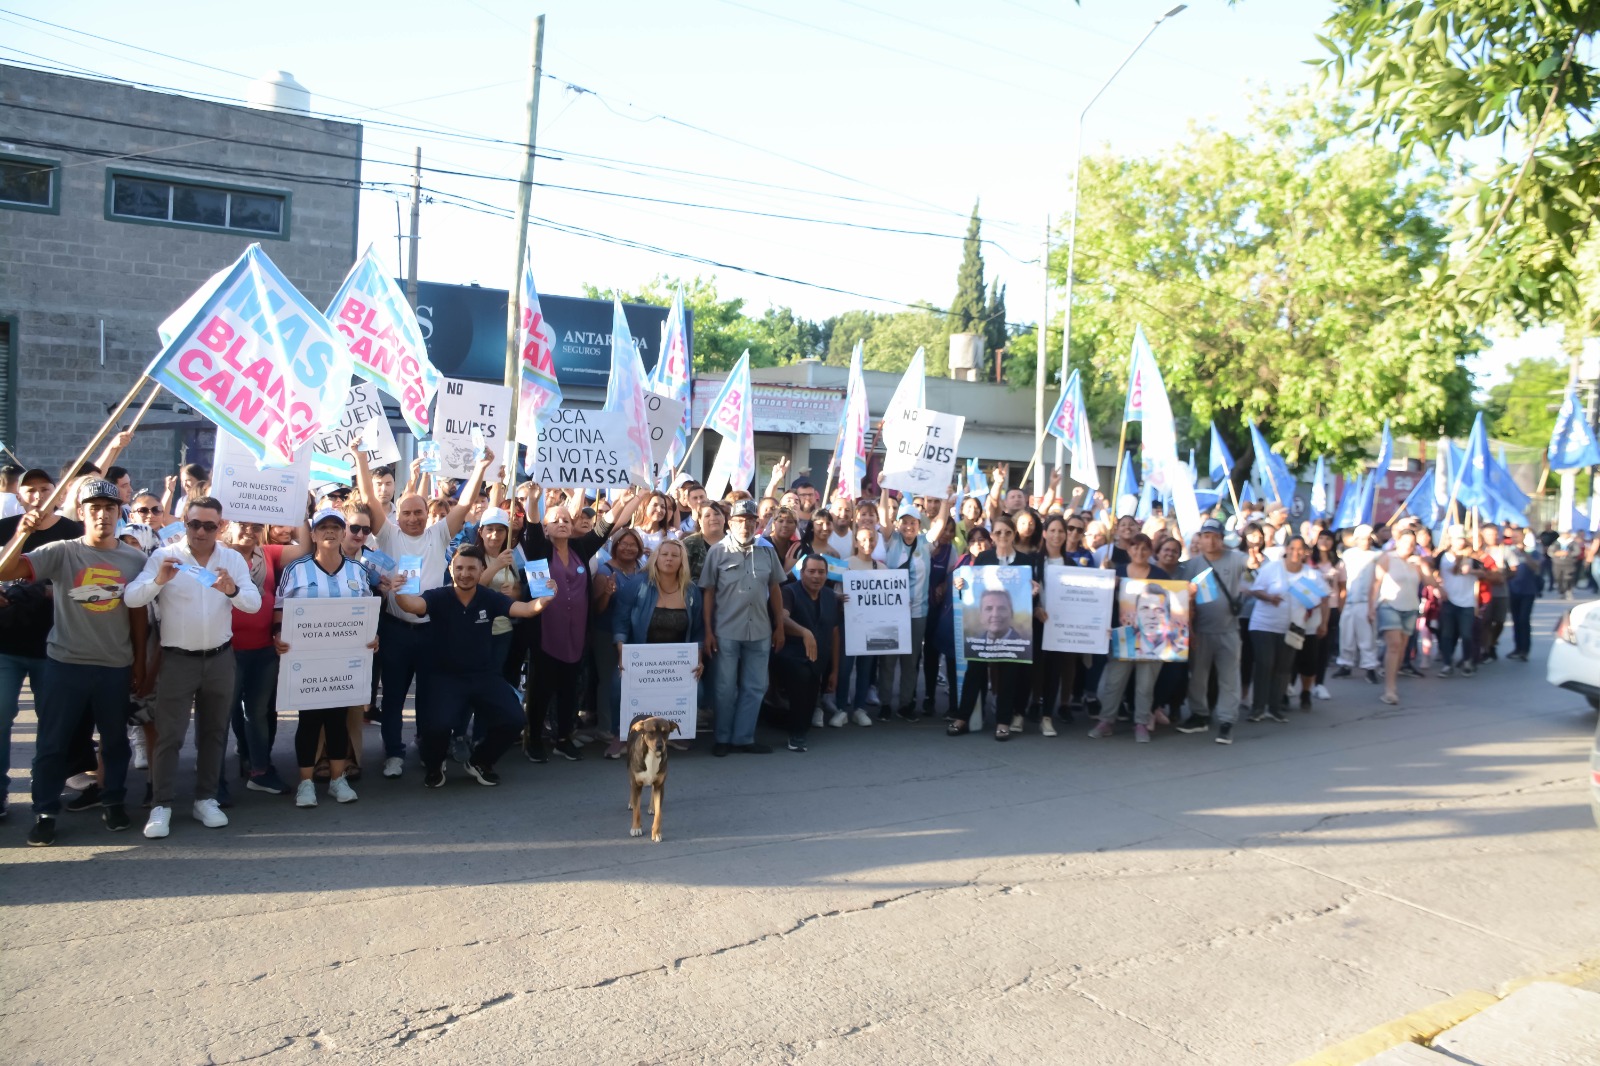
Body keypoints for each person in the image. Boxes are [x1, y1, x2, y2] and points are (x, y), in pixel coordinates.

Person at [2, 479, 149, 846]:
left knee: (115, 742)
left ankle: (113, 800)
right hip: (64, 664)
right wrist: (22, 532)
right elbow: (6, 572)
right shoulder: (62, 551)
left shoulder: (135, 560)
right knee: (53, 743)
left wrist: (140, 663)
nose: (102, 515)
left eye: (109, 508)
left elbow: (137, 614)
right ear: (81, 512)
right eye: (94, 508)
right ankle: (45, 810)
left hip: (114, 666)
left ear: (119, 513)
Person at [124, 495, 261, 838]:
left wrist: (231, 590)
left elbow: (253, 604)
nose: (201, 532)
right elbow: (131, 597)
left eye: (209, 526)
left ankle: (206, 799)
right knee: (169, 735)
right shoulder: (164, 556)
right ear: (185, 522)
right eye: (195, 524)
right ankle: (162, 804)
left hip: (219, 658)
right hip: (177, 660)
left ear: (221, 526)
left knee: (214, 733)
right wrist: (159, 581)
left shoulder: (230, 558)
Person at [355, 445, 493, 778]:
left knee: (431, 696)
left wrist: (482, 466)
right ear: (397, 516)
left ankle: (428, 746)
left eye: (419, 512)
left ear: (426, 514)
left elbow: (463, 505)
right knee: (393, 698)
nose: (414, 518)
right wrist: (360, 458)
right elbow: (370, 500)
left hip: (432, 631)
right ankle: (394, 753)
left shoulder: (438, 533)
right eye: (407, 513)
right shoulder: (387, 534)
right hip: (395, 631)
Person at [392, 543, 547, 787]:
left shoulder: (490, 598)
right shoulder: (439, 596)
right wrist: (399, 592)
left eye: (471, 569)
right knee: (436, 727)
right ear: (451, 569)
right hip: (444, 677)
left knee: (514, 719)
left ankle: (481, 761)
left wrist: (546, 598)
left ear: (482, 569)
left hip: (483, 675)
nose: (465, 573)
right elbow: (413, 606)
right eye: (459, 568)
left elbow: (526, 610)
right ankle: (435, 765)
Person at [273, 508, 383, 808]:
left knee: (337, 721)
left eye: (336, 526)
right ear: (313, 534)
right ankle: (306, 784)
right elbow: (280, 609)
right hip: (306, 661)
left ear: (344, 532)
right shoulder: (296, 570)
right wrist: (277, 636)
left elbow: (368, 615)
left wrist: (372, 638)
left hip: (344, 661)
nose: (330, 532)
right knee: (308, 720)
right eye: (323, 527)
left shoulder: (358, 572)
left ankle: (337, 779)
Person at [0, 468, 84, 820]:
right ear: (20, 496)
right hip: (7, 645)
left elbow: (82, 583)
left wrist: (44, 590)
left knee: (51, 727)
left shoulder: (72, 534)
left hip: (54, 645)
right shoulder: (7, 529)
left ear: (58, 494)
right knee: (2, 717)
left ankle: (44, 797)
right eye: (30, 490)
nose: (37, 496)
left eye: (44, 489)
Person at [699, 499, 785, 756]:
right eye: (739, 520)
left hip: (760, 630)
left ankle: (744, 738)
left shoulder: (767, 551)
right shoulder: (718, 551)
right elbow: (708, 594)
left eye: (750, 520)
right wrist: (708, 631)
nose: (745, 525)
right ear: (730, 522)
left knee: (755, 686)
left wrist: (779, 626)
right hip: (726, 631)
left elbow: (775, 588)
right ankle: (723, 738)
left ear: (757, 523)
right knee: (724, 687)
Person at [951, 513, 1040, 741]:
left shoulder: (1026, 562)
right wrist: (961, 585)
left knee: (1009, 674)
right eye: (998, 532)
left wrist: (1034, 593)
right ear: (992, 535)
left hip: (1011, 629)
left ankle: (1003, 721)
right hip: (985, 628)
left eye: (1008, 532)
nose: (1003, 536)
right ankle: (962, 717)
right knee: (975, 671)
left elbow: (1031, 601)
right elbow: (972, 592)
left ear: (1014, 534)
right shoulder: (983, 558)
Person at [219, 518, 292, 795]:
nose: (249, 530)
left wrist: (295, 508)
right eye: (243, 524)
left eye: (255, 525)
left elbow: (307, 547)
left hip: (264, 648)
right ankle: (214, 782)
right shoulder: (217, 554)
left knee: (258, 712)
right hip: (226, 649)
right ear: (228, 525)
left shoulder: (269, 553)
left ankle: (259, 770)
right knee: (224, 714)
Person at [614, 538, 703, 752]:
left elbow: (698, 631)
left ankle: (674, 732)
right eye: (664, 554)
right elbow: (621, 621)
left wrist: (699, 660)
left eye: (675, 555)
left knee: (700, 691)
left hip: (676, 663)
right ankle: (623, 735)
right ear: (655, 558)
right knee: (616, 687)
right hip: (640, 656)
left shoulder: (691, 591)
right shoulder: (638, 584)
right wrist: (621, 653)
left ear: (682, 561)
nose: (669, 559)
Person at [1089, 533, 1169, 743]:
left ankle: (1141, 722)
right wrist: (1106, 578)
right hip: (1122, 636)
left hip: (1152, 639)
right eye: (1135, 548)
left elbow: (1171, 604)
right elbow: (1101, 601)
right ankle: (1106, 720)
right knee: (1114, 682)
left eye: (1144, 549)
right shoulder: (1117, 572)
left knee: (1145, 684)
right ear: (1129, 550)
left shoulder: (1160, 576)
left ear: (1150, 552)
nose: (1139, 552)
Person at [1176, 518, 1248, 744]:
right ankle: (1199, 715)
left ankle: (1227, 721)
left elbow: (1253, 565)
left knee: (1229, 678)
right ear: (1200, 538)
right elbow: (1179, 594)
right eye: (1206, 536)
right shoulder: (1191, 566)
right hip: (1201, 631)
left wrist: (1255, 559)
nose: (1211, 540)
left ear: (1222, 539)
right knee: (1198, 676)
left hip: (1229, 631)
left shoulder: (1236, 559)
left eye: (1215, 536)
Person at [591, 527, 649, 758]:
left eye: (632, 544)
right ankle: (606, 728)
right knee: (609, 681)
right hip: (606, 633)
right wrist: (607, 593)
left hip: (634, 635)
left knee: (632, 683)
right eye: (623, 544)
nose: (628, 548)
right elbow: (598, 609)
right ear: (614, 546)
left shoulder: (643, 571)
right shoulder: (605, 571)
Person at [774, 555, 841, 752]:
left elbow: (835, 634)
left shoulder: (830, 597)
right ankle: (796, 736)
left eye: (821, 572)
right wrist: (804, 632)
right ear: (802, 573)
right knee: (801, 678)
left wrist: (835, 671)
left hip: (818, 660)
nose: (816, 576)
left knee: (810, 700)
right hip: (790, 655)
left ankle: (796, 725)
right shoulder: (790, 591)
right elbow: (782, 618)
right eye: (811, 571)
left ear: (827, 575)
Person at [879, 497, 937, 723]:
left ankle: (905, 704)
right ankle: (885, 703)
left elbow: (940, 523)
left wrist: (943, 499)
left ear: (919, 524)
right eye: (904, 522)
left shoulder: (925, 542)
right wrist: (884, 489)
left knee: (910, 661)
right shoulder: (890, 539)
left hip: (917, 612)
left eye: (913, 522)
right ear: (898, 524)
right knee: (888, 659)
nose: (908, 526)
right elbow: (884, 516)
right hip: (892, 612)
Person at [1244, 536, 1309, 725]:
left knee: (1283, 667)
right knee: (1265, 663)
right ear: (1286, 549)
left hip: (1292, 627)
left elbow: (1318, 597)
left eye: (1300, 549)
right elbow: (1255, 589)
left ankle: (1275, 708)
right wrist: (1269, 597)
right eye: (1292, 548)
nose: (1296, 552)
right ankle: (1258, 708)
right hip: (1264, 624)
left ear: (1304, 551)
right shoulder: (1272, 568)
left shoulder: (1310, 573)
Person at [1370, 527, 1427, 704]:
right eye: (1405, 543)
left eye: (1412, 544)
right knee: (1393, 645)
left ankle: (1392, 680)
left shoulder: (1416, 562)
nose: (1408, 547)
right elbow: (1376, 582)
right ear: (1398, 542)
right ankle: (1389, 689)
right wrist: (1371, 606)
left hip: (1410, 608)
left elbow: (1430, 582)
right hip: (1389, 605)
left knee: (1401, 649)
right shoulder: (1387, 558)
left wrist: (1423, 565)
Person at [1333, 525, 1381, 684]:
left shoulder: (1377, 556)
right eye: (1362, 538)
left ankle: (1370, 667)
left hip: (1367, 602)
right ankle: (1345, 664)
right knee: (1346, 634)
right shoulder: (1348, 555)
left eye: (1368, 538)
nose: (1365, 541)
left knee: (1367, 636)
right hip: (1349, 600)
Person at [1435, 525, 1482, 676]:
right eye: (1456, 539)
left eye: (1462, 538)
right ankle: (1447, 663)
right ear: (1451, 539)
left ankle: (1467, 661)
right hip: (1449, 600)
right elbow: (1432, 572)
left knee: (1466, 634)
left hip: (1467, 601)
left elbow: (1484, 573)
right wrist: (1438, 588)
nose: (1459, 542)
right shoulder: (1442, 556)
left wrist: (1472, 571)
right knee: (1447, 634)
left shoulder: (1472, 556)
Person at [1504, 525, 1541, 662]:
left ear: (1523, 537)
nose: (1514, 539)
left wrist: (1524, 553)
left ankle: (1525, 650)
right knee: (1516, 620)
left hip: (1528, 591)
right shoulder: (1508, 551)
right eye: (1513, 536)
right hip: (1513, 590)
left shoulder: (1532, 551)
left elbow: (1536, 567)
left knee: (1524, 619)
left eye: (1517, 536)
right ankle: (1517, 648)